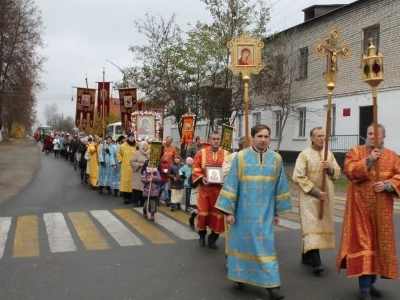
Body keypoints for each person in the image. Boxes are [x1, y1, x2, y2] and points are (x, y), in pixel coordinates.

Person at [215, 124, 291, 300]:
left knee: (266, 247)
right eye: (260, 136)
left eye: (266, 136)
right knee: (242, 245)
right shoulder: (240, 158)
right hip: (243, 212)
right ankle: (239, 277)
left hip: (265, 213)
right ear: (252, 138)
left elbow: (280, 187)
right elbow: (232, 183)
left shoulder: (276, 159)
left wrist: (277, 212)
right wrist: (229, 212)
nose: (263, 140)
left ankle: (273, 286)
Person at [336, 124, 400, 300]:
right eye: (369, 134)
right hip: (359, 208)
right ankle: (364, 287)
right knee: (364, 245)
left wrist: (387, 185)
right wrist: (369, 160)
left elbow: (399, 175)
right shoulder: (355, 152)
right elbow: (349, 171)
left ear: (383, 137)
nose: (372, 137)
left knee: (378, 245)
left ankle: (371, 284)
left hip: (382, 211)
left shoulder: (393, 156)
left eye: (376, 134)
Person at [292, 127, 341, 274]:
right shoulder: (304, 155)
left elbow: (337, 174)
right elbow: (298, 177)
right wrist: (316, 192)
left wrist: (330, 168)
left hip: (325, 198)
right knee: (311, 226)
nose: (322, 138)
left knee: (319, 227)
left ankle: (306, 255)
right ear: (312, 138)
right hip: (309, 198)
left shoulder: (329, 155)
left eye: (323, 136)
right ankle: (316, 263)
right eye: (318, 136)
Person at [192, 131, 229, 249]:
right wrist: (201, 178)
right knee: (203, 215)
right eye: (214, 139)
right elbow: (195, 168)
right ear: (209, 140)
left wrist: (226, 180)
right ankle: (202, 234)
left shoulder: (227, 154)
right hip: (205, 191)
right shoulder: (200, 153)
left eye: (218, 139)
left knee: (218, 217)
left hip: (220, 192)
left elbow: (231, 170)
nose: (216, 141)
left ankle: (213, 238)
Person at [117, 133, 136, 204]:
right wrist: (121, 161)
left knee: (132, 182)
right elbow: (118, 154)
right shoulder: (122, 146)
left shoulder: (136, 146)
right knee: (125, 182)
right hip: (125, 167)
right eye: (130, 137)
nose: (131, 138)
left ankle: (131, 197)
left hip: (134, 168)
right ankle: (125, 198)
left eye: (132, 137)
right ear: (127, 138)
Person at [130, 141, 150, 207]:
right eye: (145, 146)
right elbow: (132, 162)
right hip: (138, 172)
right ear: (142, 146)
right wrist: (139, 164)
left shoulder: (149, 154)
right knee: (137, 187)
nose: (147, 147)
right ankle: (135, 201)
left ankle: (142, 201)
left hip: (146, 173)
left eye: (147, 146)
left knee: (144, 187)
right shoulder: (137, 153)